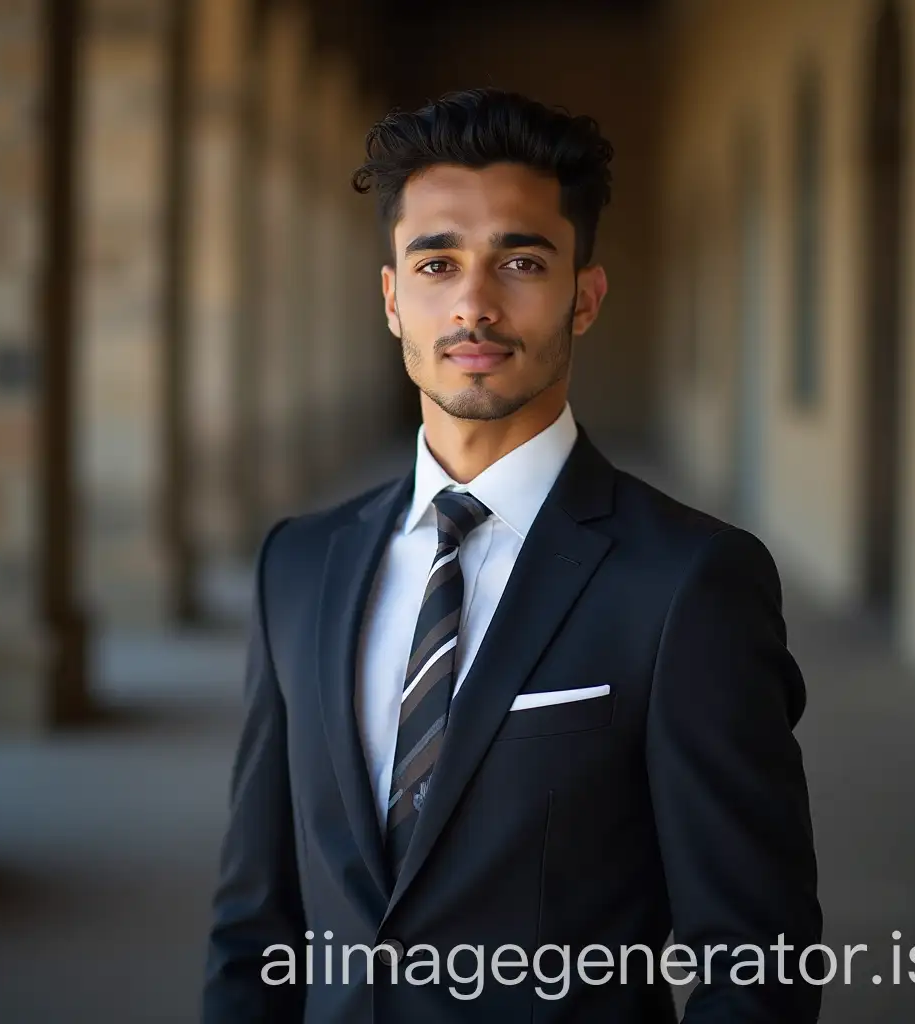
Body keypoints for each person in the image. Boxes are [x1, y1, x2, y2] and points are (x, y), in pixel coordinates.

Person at [201, 87, 823, 1024]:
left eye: (521, 261)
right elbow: (256, 922)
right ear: (390, 299)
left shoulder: (689, 583)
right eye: (436, 262)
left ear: (586, 295)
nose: (475, 305)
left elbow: (759, 960)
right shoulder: (297, 566)